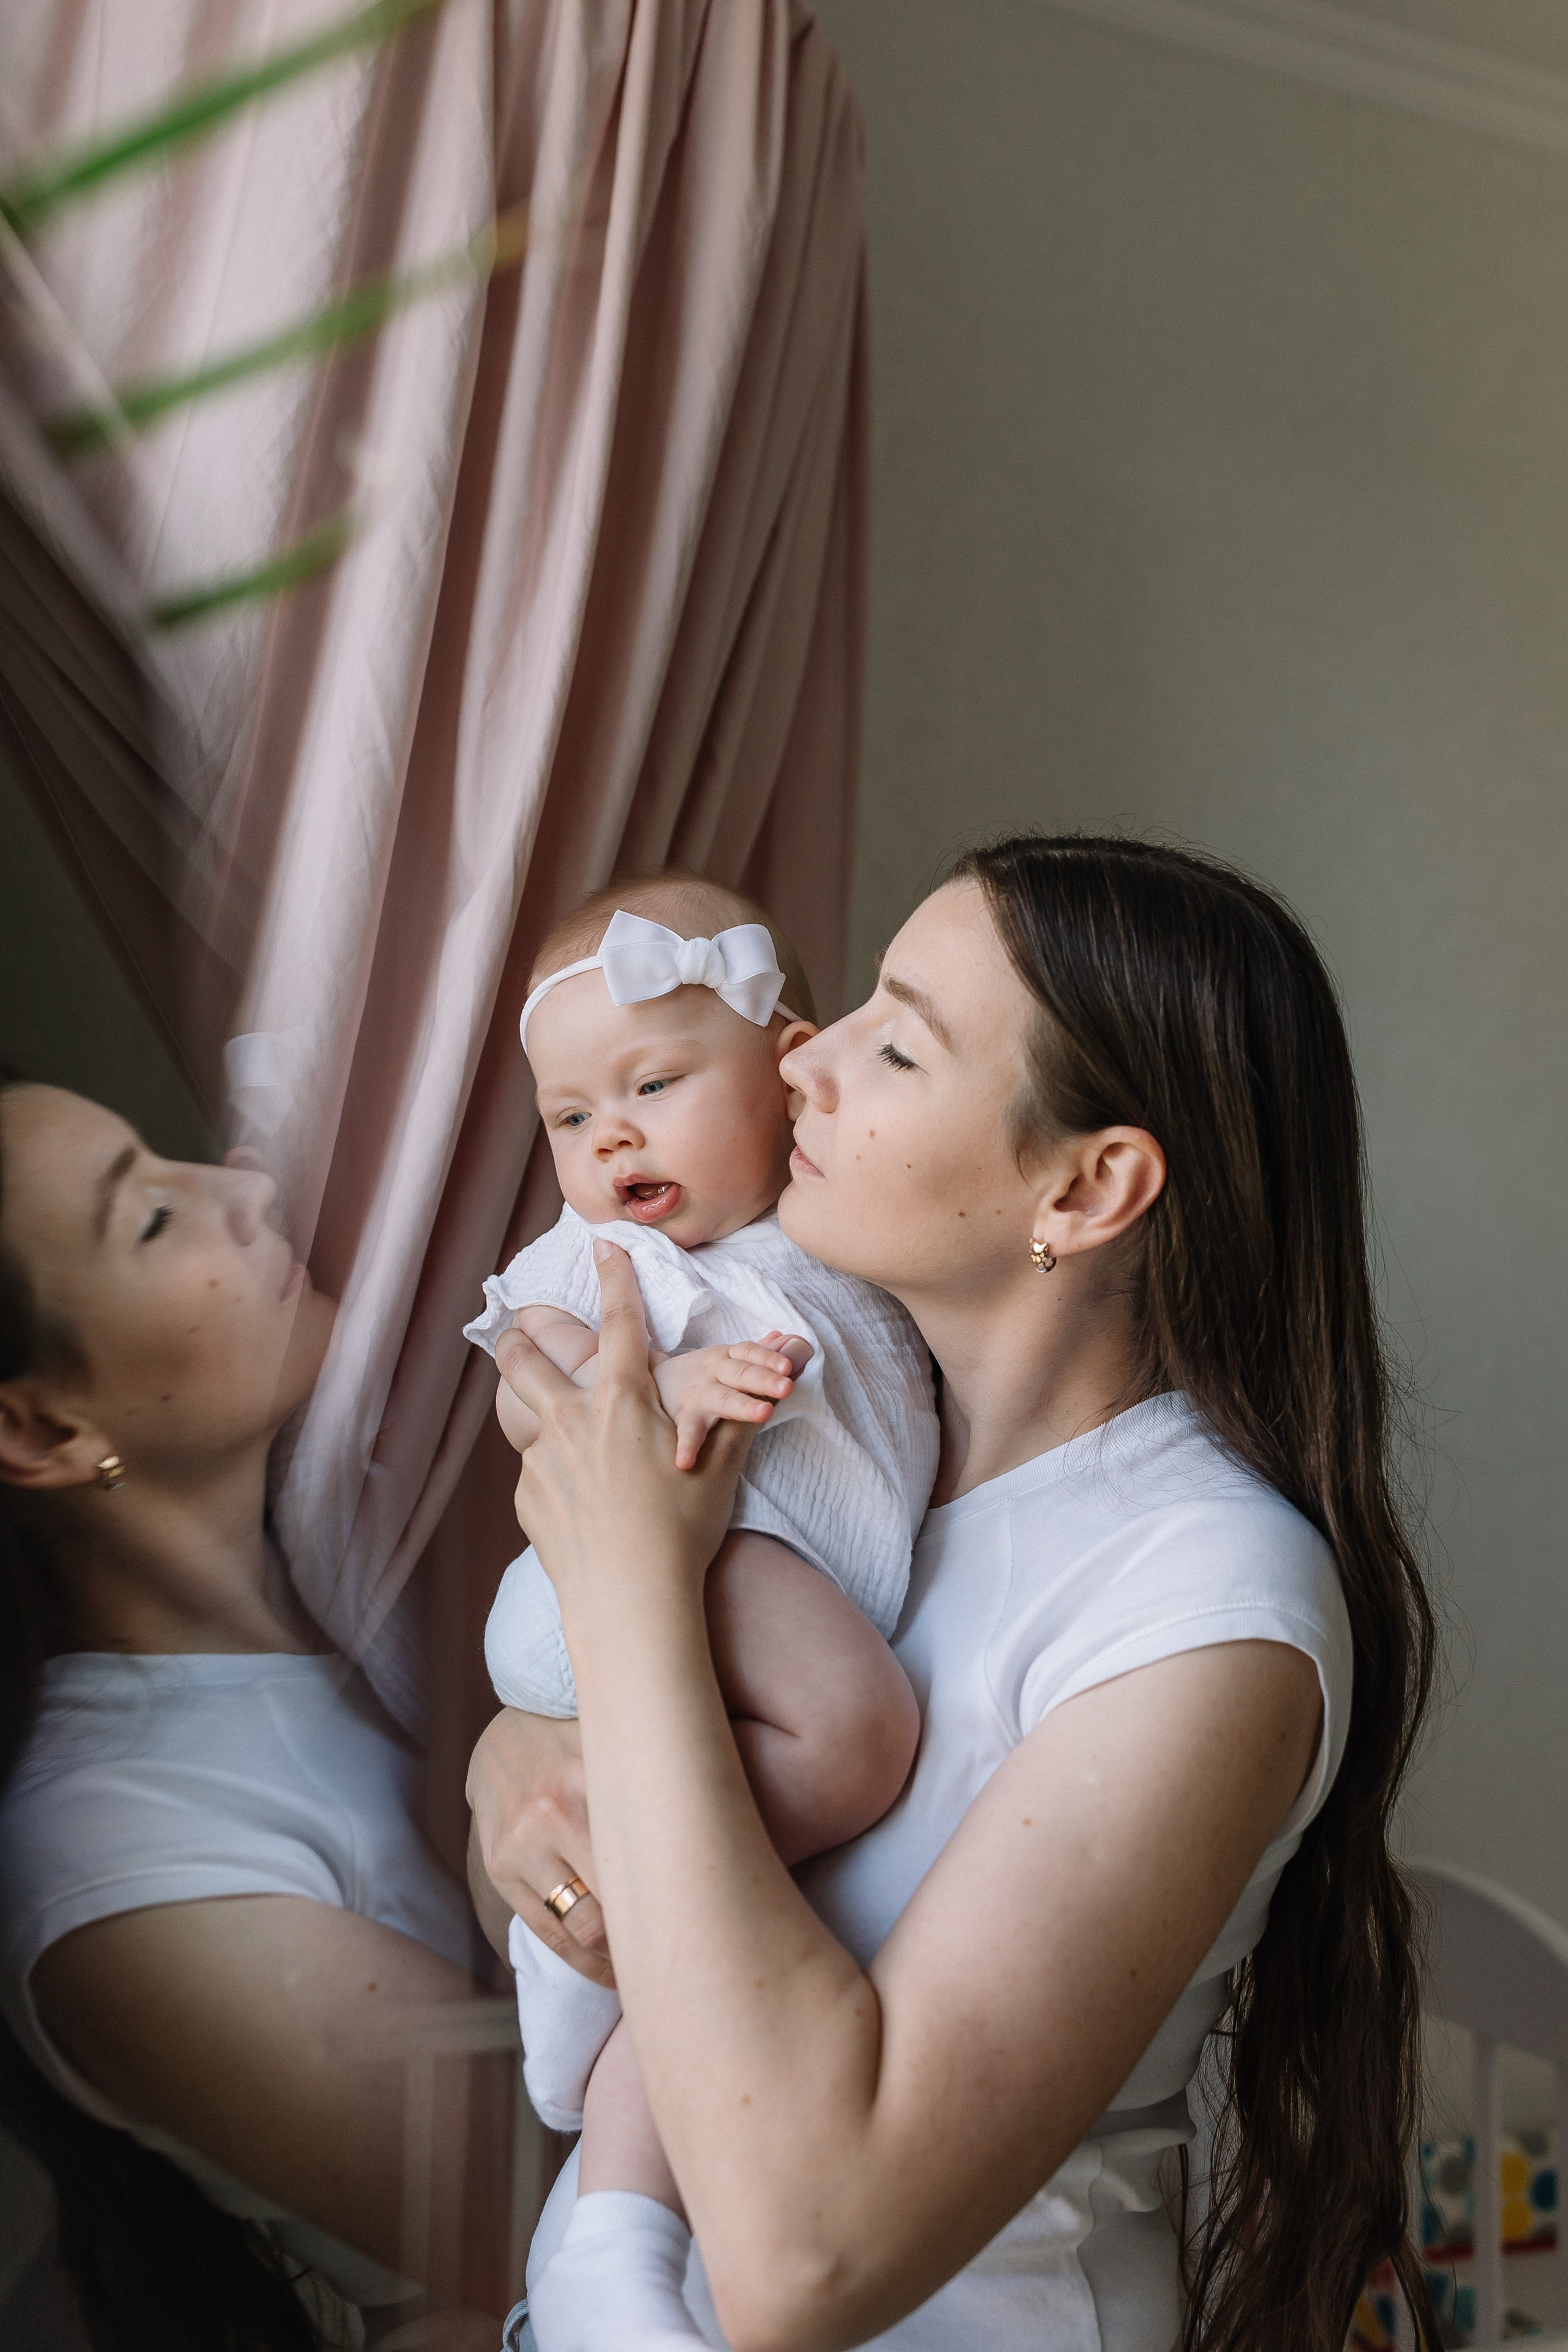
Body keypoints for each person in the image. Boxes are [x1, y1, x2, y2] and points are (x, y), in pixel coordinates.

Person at [468, 835, 1438, 2352]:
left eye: (896, 1042)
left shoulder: (1202, 1597)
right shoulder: (853, 1456)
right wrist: (514, 1769)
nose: (803, 1063)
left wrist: (627, 1593)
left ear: (1089, 1183)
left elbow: (805, 2265)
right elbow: (597, 1877)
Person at [463, 873, 937, 2352]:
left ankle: (607, 1977)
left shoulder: (836, 1235)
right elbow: (534, 1371)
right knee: (857, 1744)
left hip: (734, 1578)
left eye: (655, 1084)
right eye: (567, 1116)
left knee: (742, 1906)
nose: (608, 1137)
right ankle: (598, 1962)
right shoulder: (608, 1264)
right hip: (659, 1563)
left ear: (785, 1066)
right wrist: (652, 1390)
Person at [0, 1078, 501, 2350]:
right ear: (42, 1426)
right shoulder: (119, 1863)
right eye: (152, 1219)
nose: (244, 1185)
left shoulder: (386, 1521)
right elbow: (604, 2197)